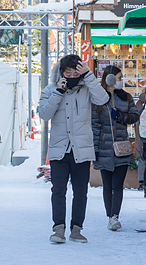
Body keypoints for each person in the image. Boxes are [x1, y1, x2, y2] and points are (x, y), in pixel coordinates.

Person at [38, 55, 108, 244]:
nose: (71, 76)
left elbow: (103, 99)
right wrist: (58, 92)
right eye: (67, 73)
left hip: (81, 149)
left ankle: (76, 229)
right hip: (59, 149)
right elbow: (44, 114)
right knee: (58, 191)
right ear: (61, 73)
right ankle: (58, 229)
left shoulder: (87, 89)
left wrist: (89, 75)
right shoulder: (51, 90)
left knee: (80, 191)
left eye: (75, 73)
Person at [91, 66, 140, 231]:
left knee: (118, 184)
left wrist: (120, 116)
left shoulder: (126, 97)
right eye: (118, 77)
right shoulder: (98, 98)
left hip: (122, 146)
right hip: (104, 146)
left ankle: (114, 216)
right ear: (110, 78)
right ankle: (109, 216)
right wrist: (95, 149)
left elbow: (135, 116)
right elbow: (94, 124)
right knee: (107, 184)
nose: (121, 81)